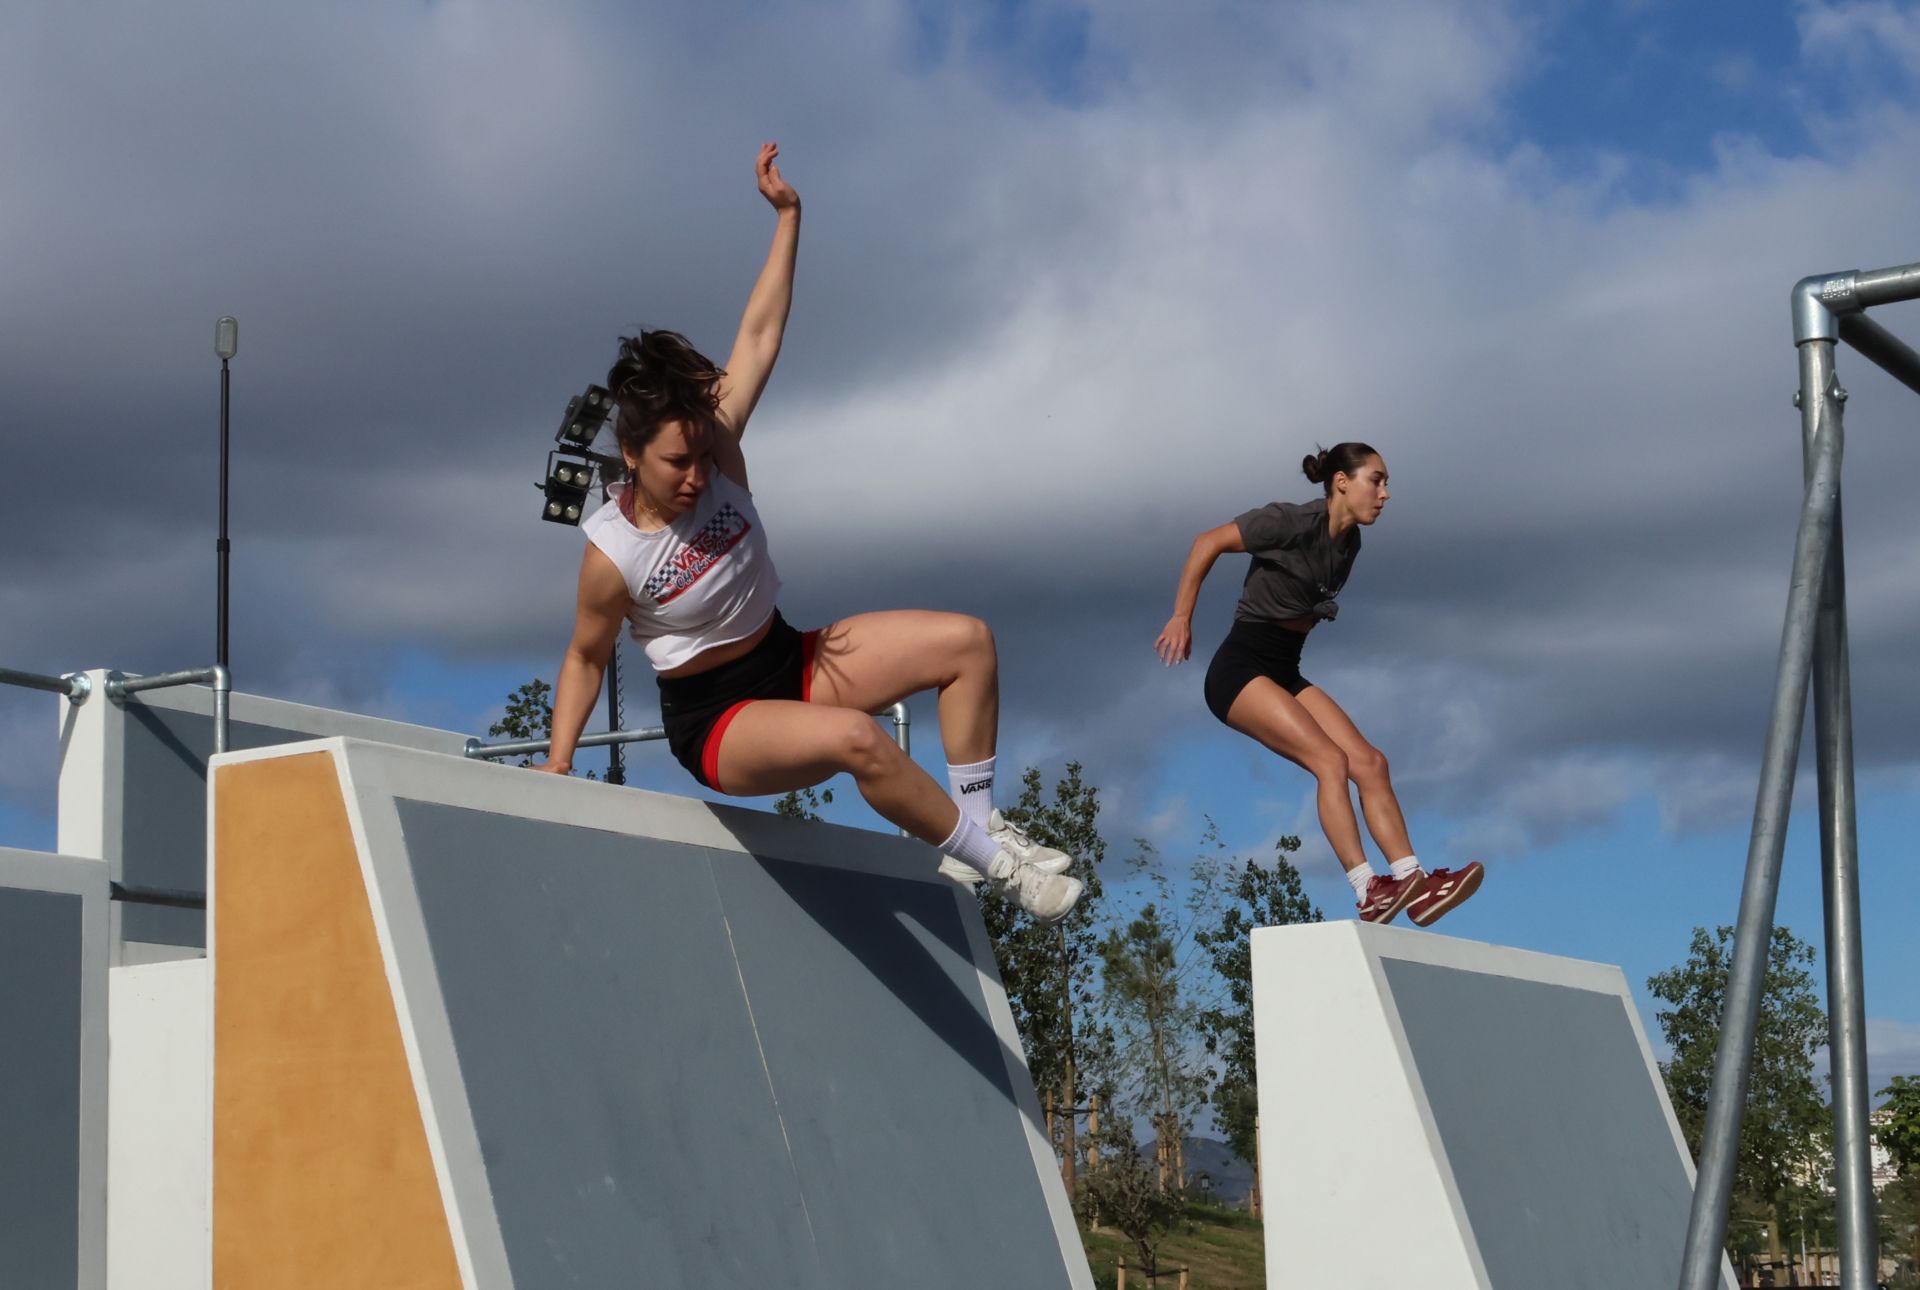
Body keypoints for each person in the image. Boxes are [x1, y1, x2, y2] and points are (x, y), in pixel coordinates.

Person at [539, 143, 1083, 923]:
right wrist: (559, 763)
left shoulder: (717, 444)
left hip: (790, 658)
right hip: (718, 722)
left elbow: (758, 337)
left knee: (967, 642)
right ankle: (999, 868)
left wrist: (789, 217)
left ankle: (976, 821)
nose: (696, 476)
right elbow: (584, 656)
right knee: (859, 740)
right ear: (630, 454)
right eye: (675, 463)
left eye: (701, 455)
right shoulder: (611, 553)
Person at [1152, 444, 1483, 926]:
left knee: (1370, 763)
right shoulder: (1287, 522)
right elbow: (1207, 541)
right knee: (1330, 761)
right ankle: (1367, 888)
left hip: (1284, 670)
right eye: (1377, 480)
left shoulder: (1349, 545)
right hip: (1240, 671)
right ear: (1342, 482)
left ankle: (1414, 882)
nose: (1385, 494)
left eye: (1387, 483)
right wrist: (1182, 616)